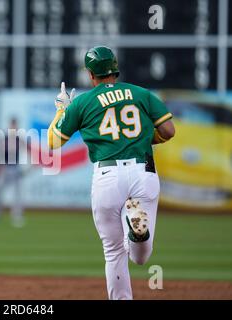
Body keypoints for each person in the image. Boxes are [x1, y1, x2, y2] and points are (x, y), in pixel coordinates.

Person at [47, 46, 175, 300]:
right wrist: (144, 139)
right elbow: (169, 130)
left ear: (90, 74)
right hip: (143, 172)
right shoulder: (140, 94)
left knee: (114, 252)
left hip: (108, 176)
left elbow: (53, 141)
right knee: (140, 258)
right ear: (115, 68)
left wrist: (62, 108)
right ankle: (137, 232)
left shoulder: (83, 102)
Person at [0, 118, 27, 228]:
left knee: (17, 194)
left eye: (15, 125)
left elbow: (26, 150)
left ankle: (17, 216)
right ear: (9, 126)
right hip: (5, 168)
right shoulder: (4, 138)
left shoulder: (19, 138)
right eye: (12, 125)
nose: (13, 127)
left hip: (15, 168)